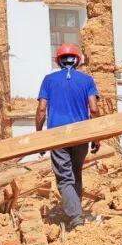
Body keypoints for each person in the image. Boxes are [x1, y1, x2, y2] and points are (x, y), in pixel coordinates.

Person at [36, 43, 99, 229]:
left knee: (64, 178)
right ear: (77, 61)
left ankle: (77, 219)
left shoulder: (49, 80)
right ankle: (76, 212)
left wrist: (39, 136)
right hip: (81, 134)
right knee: (76, 173)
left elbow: (41, 109)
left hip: (57, 136)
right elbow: (94, 109)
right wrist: (96, 137)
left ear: (58, 61)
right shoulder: (87, 80)